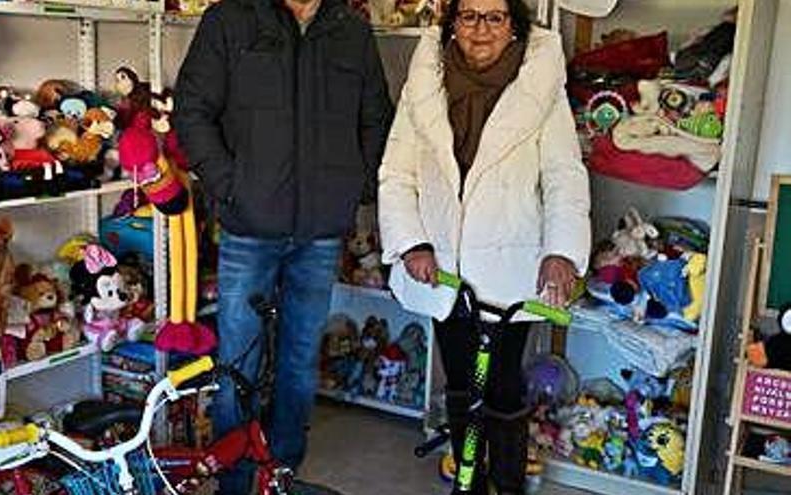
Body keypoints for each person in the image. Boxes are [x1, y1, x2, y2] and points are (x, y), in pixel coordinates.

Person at [173, 0, 392, 492]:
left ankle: (283, 470)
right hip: (248, 226)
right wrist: (229, 184)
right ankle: (235, 479)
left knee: (297, 360)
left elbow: (376, 117)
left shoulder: (350, 30)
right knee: (238, 363)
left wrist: (353, 185)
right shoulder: (230, 19)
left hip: (320, 230)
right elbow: (192, 109)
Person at [378, 0, 591, 493]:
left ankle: (509, 482)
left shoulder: (541, 88)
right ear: (453, 23)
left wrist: (561, 251)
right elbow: (396, 173)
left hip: (511, 264)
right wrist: (412, 244)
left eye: (495, 17)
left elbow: (563, 176)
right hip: (442, 267)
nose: (481, 29)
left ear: (514, 28)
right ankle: (468, 477)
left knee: (503, 385)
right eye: (469, 15)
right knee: (458, 382)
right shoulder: (425, 84)